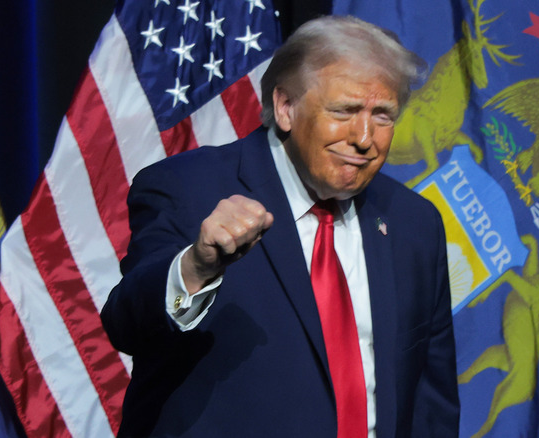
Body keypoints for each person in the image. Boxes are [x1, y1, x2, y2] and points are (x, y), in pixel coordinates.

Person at [102, 15, 459, 438]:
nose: (365, 137)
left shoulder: (413, 223)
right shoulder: (188, 188)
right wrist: (197, 267)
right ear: (286, 107)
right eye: (345, 111)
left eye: (382, 115)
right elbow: (126, 324)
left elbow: (430, 402)